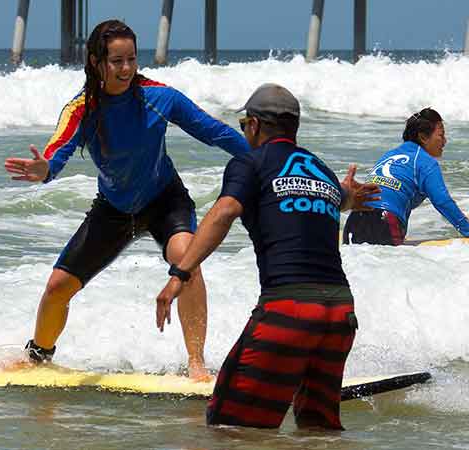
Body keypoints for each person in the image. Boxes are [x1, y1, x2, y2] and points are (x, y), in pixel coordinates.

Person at [3, 20, 250, 380]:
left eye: (131, 59)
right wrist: (44, 170)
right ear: (95, 62)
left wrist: (271, 157)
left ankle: (196, 363)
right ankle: (39, 356)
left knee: (187, 259)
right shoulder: (81, 109)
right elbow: (57, 153)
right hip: (114, 208)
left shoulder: (160, 97)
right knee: (57, 287)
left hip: (165, 200)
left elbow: (216, 133)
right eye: (116, 61)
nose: (126, 69)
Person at [155, 83, 380, 429]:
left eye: (244, 125)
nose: (244, 132)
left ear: (256, 125)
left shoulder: (250, 163)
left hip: (288, 311)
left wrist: (179, 275)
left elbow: (225, 211)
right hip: (339, 316)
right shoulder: (320, 169)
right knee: (317, 430)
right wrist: (348, 197)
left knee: (231, 428)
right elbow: (333, 198)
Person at [343, 108, 469, 245]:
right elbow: (443, 202)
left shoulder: (389, 155)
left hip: (354, 221)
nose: (445, 141)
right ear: (423, 137)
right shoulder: (425, 162)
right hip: (385, 222)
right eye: (441, 135)